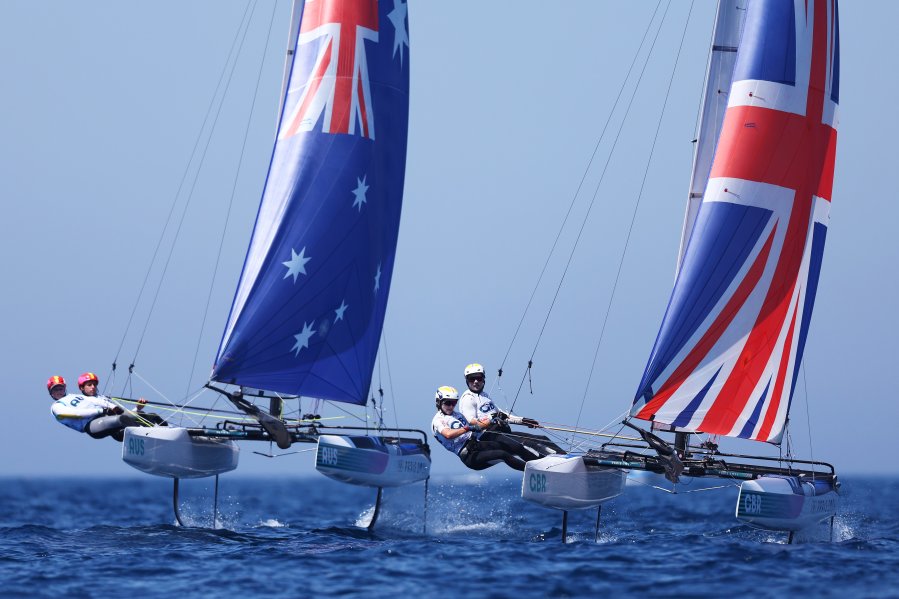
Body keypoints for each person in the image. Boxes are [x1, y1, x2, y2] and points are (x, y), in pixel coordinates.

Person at [431, 385, 534, 471]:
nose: (451, 406)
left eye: (453, 403)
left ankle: (539, 463)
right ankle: (532, 471)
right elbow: (448, 434)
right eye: (447, 403)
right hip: (469, 456)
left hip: (478, 445)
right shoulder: (438, 420)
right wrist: (468, 428)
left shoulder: (457, 415)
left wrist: (494, 418)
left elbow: (478, 427)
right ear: (438, 402)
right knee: (503, 454)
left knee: (513, 446)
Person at [49, 372, 161, 441]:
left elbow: (98, 401)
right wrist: (100, 410)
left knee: (146, 415)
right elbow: (76, 414)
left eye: (60, 388)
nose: (58, 391)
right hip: (91, 426)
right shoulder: (56, 406)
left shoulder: (75, 396)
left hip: (103, 418)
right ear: (51, 393)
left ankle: (164, 429)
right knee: (122, 419)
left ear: (65, 388)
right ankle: (149, 434)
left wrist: (136, 408)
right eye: (55, 389)